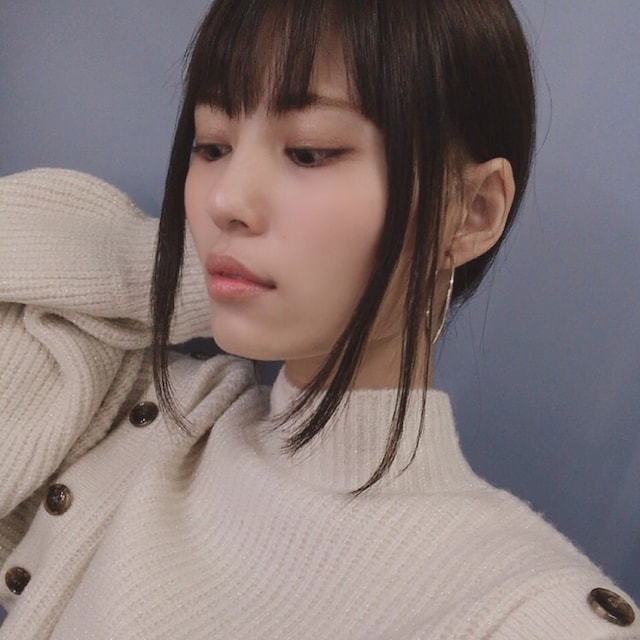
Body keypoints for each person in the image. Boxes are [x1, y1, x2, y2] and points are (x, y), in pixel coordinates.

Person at [0, 0, 638, 638]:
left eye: (309, 152)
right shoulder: (160, 424)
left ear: (470, 212)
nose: (224, 198)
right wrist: (195, 267)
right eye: (212, 146)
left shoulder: (526, 613)